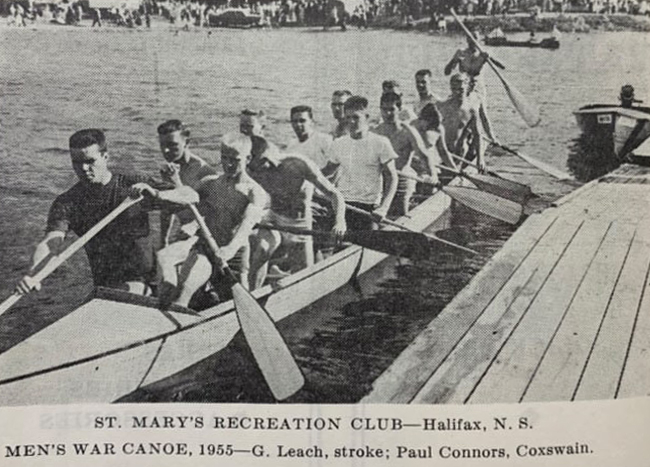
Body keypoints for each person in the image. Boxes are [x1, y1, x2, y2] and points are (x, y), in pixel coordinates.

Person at [16, 129, 170, 296]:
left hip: (147, 284)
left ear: (105, 157)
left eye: (90, 161)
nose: (83, 168)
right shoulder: (68, 202)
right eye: (76, 162)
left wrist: (156, 194)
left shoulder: (132, 185)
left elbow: (187, 196)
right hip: (105, 288)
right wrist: (32, 274)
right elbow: (50, 243)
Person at [138, 134, 268, 307]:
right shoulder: (211, 183)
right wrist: (157, 193)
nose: (228, 164)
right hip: (206, 250)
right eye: (224, 158)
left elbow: (247, 224)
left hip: (234, 256)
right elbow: (187, 195)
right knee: (183, 291)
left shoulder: (254, 192)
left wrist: (230, 249)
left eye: (235, 160)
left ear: (248, 158)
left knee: (237, 306)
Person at [248, 139, 347, 290]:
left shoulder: (298, 164)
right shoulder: (251, 170)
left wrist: (340, 221)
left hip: (300, 226)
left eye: (260, 166)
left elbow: (335, 195)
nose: (257, 173)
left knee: (303, 282)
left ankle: (279, 272)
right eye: (253, 168)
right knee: (262, 248)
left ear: (268, 158)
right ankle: (252, 294)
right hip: (273, 219)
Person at [153, 120, 217, 301]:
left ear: (187, 143)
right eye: (162, 145)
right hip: (186, 237)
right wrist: (163, 240)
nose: (166, 151)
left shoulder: (205, 172)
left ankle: (180, 297)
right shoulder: (171, 168)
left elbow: (213, 213)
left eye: (172, 145)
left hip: (205, 238)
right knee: (161, 256)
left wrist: (175, 182)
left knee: (166, 261)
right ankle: (167, 298)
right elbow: (168, 208)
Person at [323, 95, 398, 231]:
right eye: (348, 117)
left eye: (356, 117)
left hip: (368, 207)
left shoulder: (380, 143)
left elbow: (392, 177)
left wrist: (383, 208)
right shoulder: (338, 143)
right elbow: (327, 171)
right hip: (342, 204)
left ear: (366, 117)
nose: (351, 122)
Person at [372, 91, 435, 215]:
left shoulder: (408, 132)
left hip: (402, 181)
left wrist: (433, 176)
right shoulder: (376, 131)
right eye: (384, 109)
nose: (387, 114)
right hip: (381, 182)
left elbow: (424, 156)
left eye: (391, 109)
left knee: (401, 217)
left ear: (400, 109)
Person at [436, 73, 486, 171]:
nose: (458, 93)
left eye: (461, 89)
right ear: (451, 88)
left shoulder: (471, 111)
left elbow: (478, 135)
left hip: (458, 154)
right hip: (440, 152)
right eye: (455, 89)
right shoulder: (441, 107)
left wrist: (480, 159)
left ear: (467, 88)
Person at [286, 105, 333, 171]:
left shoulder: (324, 140)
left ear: (311, 122)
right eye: (295, 121)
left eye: (302, 121)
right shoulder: (291, 145)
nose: (298, 124)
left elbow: (337, 165)